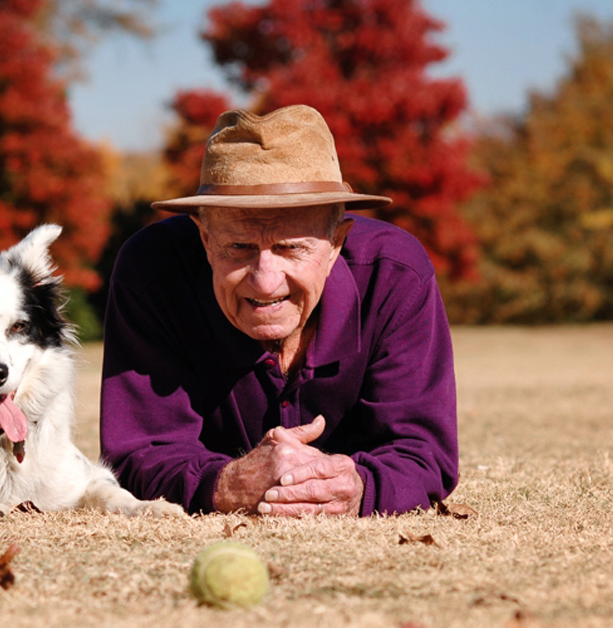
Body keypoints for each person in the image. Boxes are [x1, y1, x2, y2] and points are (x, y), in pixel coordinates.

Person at [99, 105, 458, 517]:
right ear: (204, 236)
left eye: (290, 248)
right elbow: (138, 453)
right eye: (239, 247)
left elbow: (423, 453)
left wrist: (358, 486)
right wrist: (228, 484)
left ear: (335, 244)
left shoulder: (397, 274)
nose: (266, 280)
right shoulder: (151, 271)